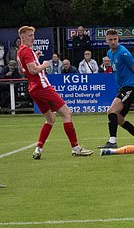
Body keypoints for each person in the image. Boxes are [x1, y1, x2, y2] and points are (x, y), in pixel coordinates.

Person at [15, 26, 93, 159]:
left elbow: (22, 71)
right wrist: (45, 65)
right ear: (22, 37)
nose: (33, 38)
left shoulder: (20, 51)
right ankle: (76, 148)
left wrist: (36, 59)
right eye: (29, 35)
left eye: (33, 35)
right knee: (67, 113)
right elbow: (33, 70)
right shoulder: (27, 51)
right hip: (42, 87)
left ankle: (38, 149)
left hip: (33, 88)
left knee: (50, 119)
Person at [98, 29, 134, 149]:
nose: (113, 42)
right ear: (106, 40)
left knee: (112, 111)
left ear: (118, 39)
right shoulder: (110, 53)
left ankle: (112, 141)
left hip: (129, 87)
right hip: (124, 87)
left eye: (115, 39)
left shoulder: (123, 52)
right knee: (119, 119)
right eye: (110, 39)